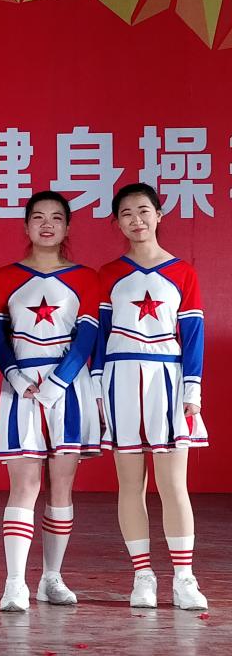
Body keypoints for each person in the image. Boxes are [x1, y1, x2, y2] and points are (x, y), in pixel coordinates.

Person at [95, 183, 208, 610]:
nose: (136, 220)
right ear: (117, 222)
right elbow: (99, 336)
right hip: (120, 379)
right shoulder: (108, 274)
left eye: (143, 210)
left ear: (159, 215)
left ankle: (184, 578)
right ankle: (142, 576)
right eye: (126, 213)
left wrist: (192, 389)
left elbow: (192, 334)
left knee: (173, 483)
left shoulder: (183, 272)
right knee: (130, 484)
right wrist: (98, 389)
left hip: (167, 378)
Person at [0, 191, 101, 612]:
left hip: (67, 389)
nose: (47, 224)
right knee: (25, 484)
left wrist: (58, 382)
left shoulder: (86, 277)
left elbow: (88, 336)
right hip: (21, 388)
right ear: (26, 226)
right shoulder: (4, 277)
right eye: (38, 217)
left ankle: (52, 577)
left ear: (67, 226)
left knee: (61, 485)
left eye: (56, 218)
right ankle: (15, 582)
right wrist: (15, 377)